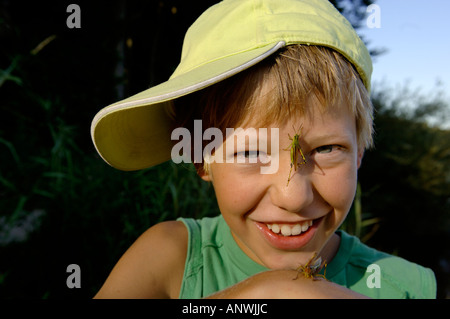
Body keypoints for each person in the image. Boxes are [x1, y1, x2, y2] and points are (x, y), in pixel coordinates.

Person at [91, 0, 436, 298]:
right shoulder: (168, 256)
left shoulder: (408, 286)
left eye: (328, 149)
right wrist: (262, 293)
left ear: (359, 153)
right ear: (201, 160)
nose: (293, 197)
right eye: (250, 153)